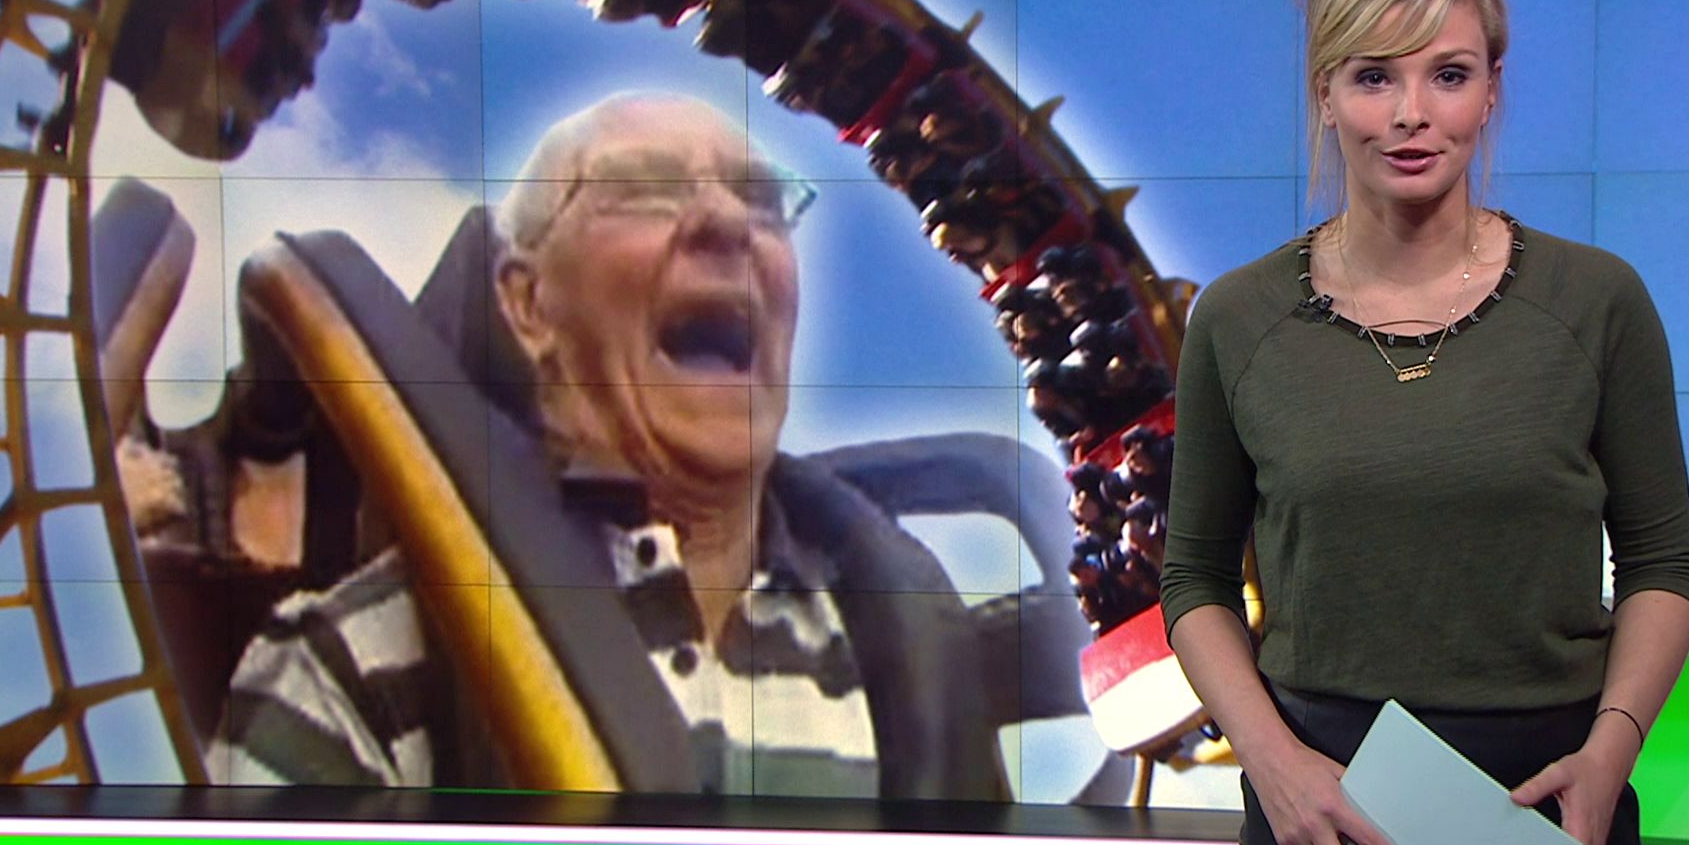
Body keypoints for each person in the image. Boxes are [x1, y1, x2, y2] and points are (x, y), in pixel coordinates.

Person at [204, 92, 1087, 798]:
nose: (726, 221)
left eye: (762, 201)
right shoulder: (347, 667)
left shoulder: (914, 657)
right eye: (645, 189)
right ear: (527, 304)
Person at [1160, 0, 1689, 845]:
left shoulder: (1597, 302)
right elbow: (1194, 580)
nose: (1412, 112)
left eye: (1448, 74)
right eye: (1374, 76)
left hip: (1550, 807)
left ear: (1492, 90)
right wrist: (1272, 765)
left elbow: (1663, 566)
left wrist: (1610, 752)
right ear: (1325, 93)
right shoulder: (1238, 318)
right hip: (1318, 807)